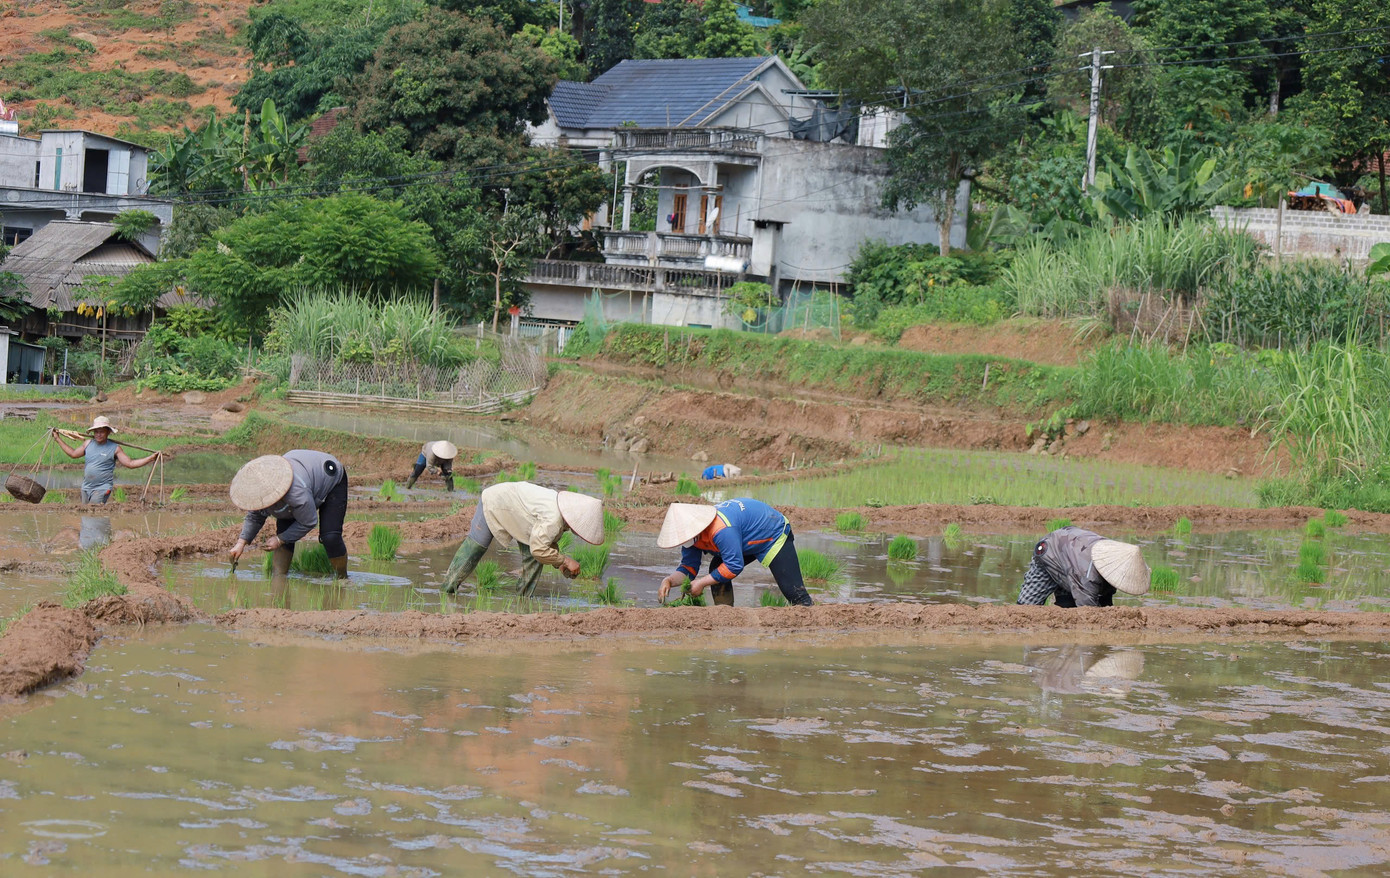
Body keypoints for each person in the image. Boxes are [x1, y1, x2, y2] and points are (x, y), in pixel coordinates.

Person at [442, 481, 604, 597]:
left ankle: (523, 601)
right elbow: (539, 548)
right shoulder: (554, 518)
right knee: (475, 548)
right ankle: (446, 590)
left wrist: (558, 563)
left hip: (521, 517)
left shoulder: (560, 511)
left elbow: (547, 542)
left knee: (536, 559)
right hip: (495, 501)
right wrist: (565, 560)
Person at [657, 499, 813, 607]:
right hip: (744, 537)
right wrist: (669, 580)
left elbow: (734, 565)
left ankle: (812, 621)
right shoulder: (690, 536)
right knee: (717, 568)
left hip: (772, 532)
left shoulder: (721, 529)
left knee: (796, 596)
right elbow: (688, 568)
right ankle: (725, 614)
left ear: (695, 530)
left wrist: (701, 583)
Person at [227, 450, 350, 579]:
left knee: (330, 536)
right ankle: (279, 578)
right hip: (303, 474)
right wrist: (240, 543)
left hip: (330, 478)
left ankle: (342, 578)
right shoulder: (260, 490)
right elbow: (255, 516)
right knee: (284, 528)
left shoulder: (296, 493)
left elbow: (308, 521)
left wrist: (279, 540)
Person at [1015, 526, 1150, 607]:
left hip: (1074, 554)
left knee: (1068, 606)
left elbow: (1106, 598)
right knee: (1025, 609)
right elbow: (1088, 612)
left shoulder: (1114, 556)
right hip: (1051, 550)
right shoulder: (1087, 575)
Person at [52, 416, 161, 505]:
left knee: (93, 511)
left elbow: (130, 464)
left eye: (102, 432)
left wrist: (150, 458)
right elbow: (73, 454)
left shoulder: (115, 448)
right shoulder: (88, 444)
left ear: (108, 432)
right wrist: (57, 439)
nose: (98, 434)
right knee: (85, 515)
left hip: (102, 488)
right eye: (96, 432)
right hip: (86, 487)